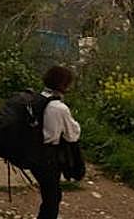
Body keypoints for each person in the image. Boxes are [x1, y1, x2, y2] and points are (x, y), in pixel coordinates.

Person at [32, 65, 82, 219]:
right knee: (53, 198)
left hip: (32, 151)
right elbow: (72, 135)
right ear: (63, 85)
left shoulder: (36, 99)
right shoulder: (59, 108)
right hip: (48, 157)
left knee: (50, 194)